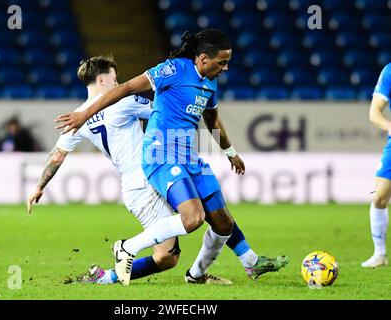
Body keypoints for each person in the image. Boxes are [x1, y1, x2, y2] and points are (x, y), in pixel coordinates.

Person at [55, 29, 288, 286]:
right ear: (202, 58)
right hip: (161, 154)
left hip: (189, 157)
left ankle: (209, 272)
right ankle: (127, 247)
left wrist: (230, 152)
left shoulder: (210, 83)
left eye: (227, 61)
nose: (226, 67)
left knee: (223, 222)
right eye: (222, 62)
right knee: (194, 218)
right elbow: (127, 88)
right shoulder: (173, 69)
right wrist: (84, 115)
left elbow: (211, 119)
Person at [27, 55, 229, 285]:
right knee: (167, 256)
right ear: (102, 80)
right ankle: (111, 272)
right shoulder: (123, 101)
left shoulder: (78, 116)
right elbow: (163, 112)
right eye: (114, 79)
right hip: (149, 177)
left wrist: (38, 186)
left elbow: (57, 155)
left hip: (136, 184)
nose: (117, 84)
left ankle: (206, 269)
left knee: (204, 214)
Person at [362, 62, 391, 268]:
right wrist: (390, 126)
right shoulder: (390, 71)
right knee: (379, 196)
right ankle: (379, 254)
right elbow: (375, 112)